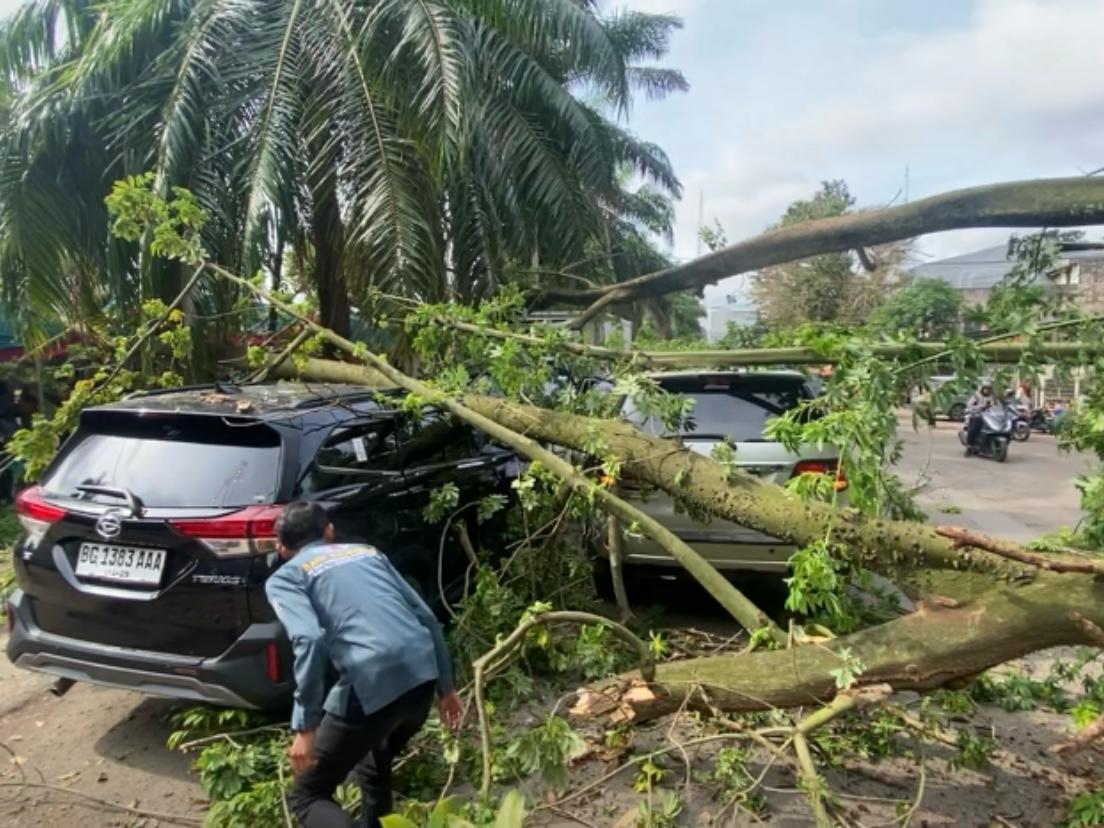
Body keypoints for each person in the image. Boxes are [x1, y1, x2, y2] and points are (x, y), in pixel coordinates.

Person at [265, 502, 463, 828]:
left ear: (282, 548)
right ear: (329, 530)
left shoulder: (286, 577)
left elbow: (309, 639)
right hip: (421, 680)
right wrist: (447, 688)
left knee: (308, 796)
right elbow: (426, 617)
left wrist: (306, 726)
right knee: (374, 762)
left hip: (370, 684)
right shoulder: (367, 552)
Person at [964, 382, 995, 451]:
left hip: (988, 416)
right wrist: (980, 407)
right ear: (982, 388)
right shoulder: (976, 396)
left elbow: (995, 406)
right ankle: (969, 445)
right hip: (976, 415)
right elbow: (969, 405)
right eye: (985, 388)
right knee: (973, 429)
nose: (987, 390)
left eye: (989, 389)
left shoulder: (991, 397)